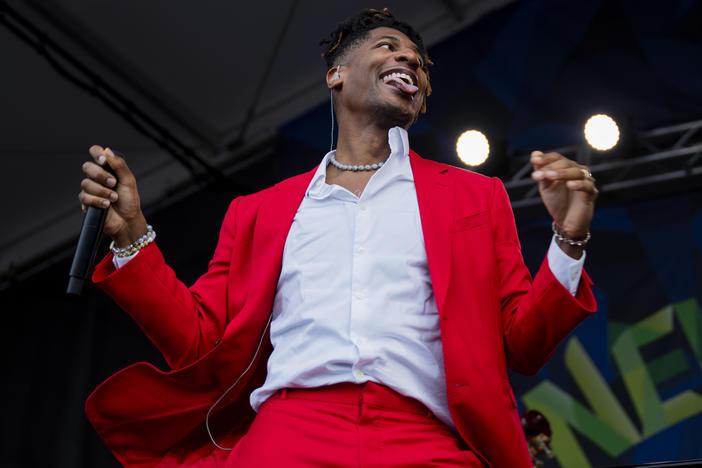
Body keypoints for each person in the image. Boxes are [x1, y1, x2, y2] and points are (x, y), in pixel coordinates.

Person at [79, 8, 597, 468]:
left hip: (423, 433)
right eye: (389, 47)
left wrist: (568, 241)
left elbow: (521, 346)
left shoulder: (473, 196)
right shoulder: (260, 211)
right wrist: (132, 236)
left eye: (418, 60)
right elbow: (198, 340)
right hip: (289, 430)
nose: (411, 61)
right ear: (336, 74)